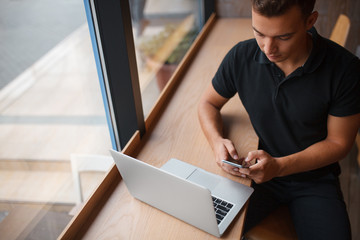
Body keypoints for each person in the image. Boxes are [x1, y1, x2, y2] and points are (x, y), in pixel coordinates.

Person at [197, 0, 360, 239]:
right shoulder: (242, 56)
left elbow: (339, 144)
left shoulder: (346, 69)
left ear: (310, 21)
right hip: (254, 177)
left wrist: (280, 166)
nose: (267, 48)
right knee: (204, 228)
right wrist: (216, 140)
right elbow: (207, 103)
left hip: (314, 179)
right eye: (259, 33)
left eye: (283, 37)